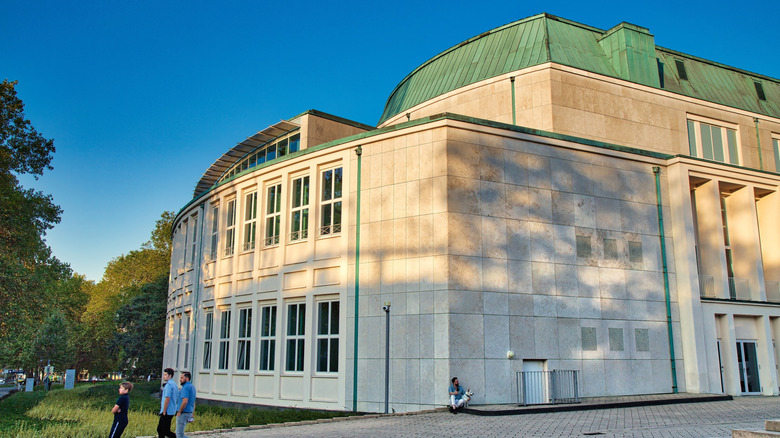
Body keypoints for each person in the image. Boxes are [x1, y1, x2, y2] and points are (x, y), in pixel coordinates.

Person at [157, 368, 178, 438]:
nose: (164, 376)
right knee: (161, 429)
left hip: (167, 411)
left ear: (170, 376)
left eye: (165, 375)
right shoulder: (174, 384)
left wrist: (164, 411)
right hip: (171, 410)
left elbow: (167, 398)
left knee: (163, 430)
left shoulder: (169, 385)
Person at [176, 371, 196, 437]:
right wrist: (192, 414)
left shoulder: (186, 388)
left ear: (187, 378)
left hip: (184, 413)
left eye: (182, 378)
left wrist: (179, 412)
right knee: (180, 434)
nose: (180, 379)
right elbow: (193, 402)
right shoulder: (192, 387)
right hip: (189, 412)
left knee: (179, 435)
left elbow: (185, 401)